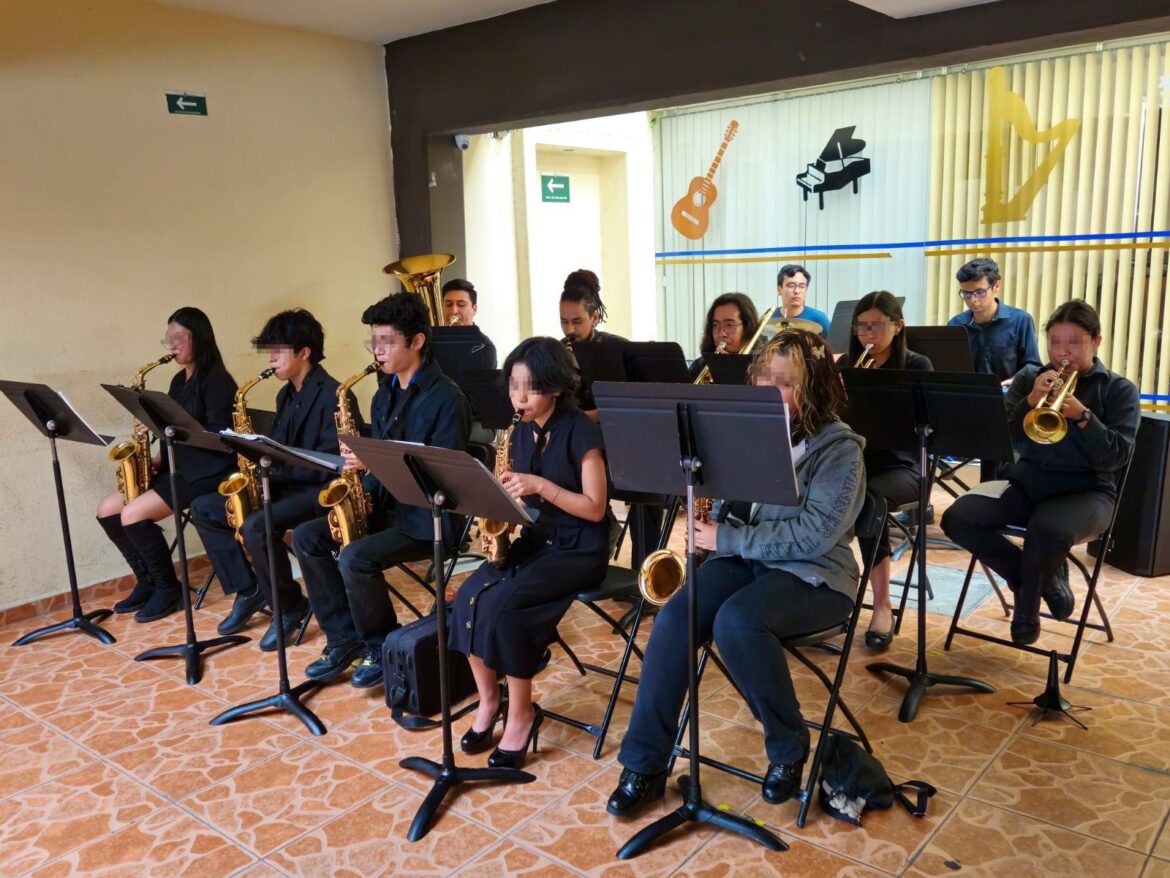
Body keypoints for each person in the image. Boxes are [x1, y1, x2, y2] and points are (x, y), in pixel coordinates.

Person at [607, 329, 866, 815]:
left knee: (737, 622)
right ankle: (644, 764)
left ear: (813, 388)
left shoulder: (840, 450)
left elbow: (814, 535)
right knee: (676, 617)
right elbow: (729, 507)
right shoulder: (747, 434)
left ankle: (789, 746)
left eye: (785, 382)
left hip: (813, 575)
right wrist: (703, 501)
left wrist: (724, 538)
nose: (769, 389)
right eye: (763, 377)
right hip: (744, 561)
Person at [291, 292, 471, 688]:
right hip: (389, 506)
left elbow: (442, 479)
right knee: (308, 536)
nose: (378, 351)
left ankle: (379, 647)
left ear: (417, 341)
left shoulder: (447, 400)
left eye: (386, 342)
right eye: (374, 342)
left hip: (429, 519)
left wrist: (375, 463)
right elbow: (381, 462)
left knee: (355, 558)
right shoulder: (383, 392)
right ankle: (344, 640)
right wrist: (365, 487)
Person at [449, 337, 609, 769]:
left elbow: (594, 508)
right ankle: (489, 703)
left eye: (529, 387)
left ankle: (521, 714)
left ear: (555, 387)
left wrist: (538, 486)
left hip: (580, 547)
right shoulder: (519, 432)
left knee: (504, 606)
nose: (518, 396)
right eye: (513, 385)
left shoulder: (582, 431)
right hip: (540, 540)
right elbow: (523, 505)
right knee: (467, 596)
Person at [941, 299, 1138, 645]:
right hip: (1027, 483)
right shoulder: (1031, 380)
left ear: (1096, 341)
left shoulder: (1119, 390)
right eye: (1054, 342)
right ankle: (1041, 579)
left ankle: (1026, 612)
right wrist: (1029, 403)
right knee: (957, 517)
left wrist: (1083, 417)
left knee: (1045, 529)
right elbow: (996, 437)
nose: (1062, 352)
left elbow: (1117, 457)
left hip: (1088, 491)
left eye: (1073, 342)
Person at [187, 309, 359, 648]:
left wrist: (274, 467)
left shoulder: (334, 395)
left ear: (304, 352)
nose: (271, 360)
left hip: (318, 490)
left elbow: (331, 462)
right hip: (286, 482)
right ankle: (249, 589)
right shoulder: (286, 395)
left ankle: (290, 606)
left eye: (277, 351)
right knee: (204, 507)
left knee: (255, 525)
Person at [95, 307, 236, 622]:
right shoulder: (177, 380)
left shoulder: (218, 381)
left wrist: (171, 431)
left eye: (178, 339)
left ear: (198, 337)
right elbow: (172, 431)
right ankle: (148, 580)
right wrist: (155, 453)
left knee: (132, 514)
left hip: (207, 472)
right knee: (108, 508)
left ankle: (168, 589)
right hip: (177, 467)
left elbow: (220, 437)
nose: (171, 347)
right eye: (168, 339)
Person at [844, 291, 932, 651]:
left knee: (868, 501)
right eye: (862, 327)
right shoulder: (846, 368)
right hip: (857, 464)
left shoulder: (917, 366)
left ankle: (881, 605)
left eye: (876, 326)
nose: (868, 335)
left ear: (898, 326)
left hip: (903, 466)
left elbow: (922, 425)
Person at [947, 257, 1041, 383]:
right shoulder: (955, 324)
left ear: (996, 286)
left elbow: (1032, 367)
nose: (972, 300)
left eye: (979, 292)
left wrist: (1015, 381)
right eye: (966, 294)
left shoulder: (1021, 320)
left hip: (1007, 397)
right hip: (966, 396)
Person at [688, 292, 760, 382]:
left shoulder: (764, 366)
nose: (721, 334)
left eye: (729, 325)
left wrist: (732, 371)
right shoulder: (699, 366)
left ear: (747, 327)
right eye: (715, 325)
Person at [559, 269, 626, 345]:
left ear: (594, 317)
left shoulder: (620, 347)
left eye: (577, 321)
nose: (569, 330)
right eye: (564, 322)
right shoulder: (555, 352)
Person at [441, 278, 498, 367]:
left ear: (474, 309)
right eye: (448, 305)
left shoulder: (485, 347)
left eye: (461, 305)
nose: (453, 311)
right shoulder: (432, 343)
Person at [777, 264, 830, 336]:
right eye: (791, 286)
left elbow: (833, 346)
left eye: (802, 286)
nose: (797, 291)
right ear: (779, 290)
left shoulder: (820, 319)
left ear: (806, 291)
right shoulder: (768, 320)